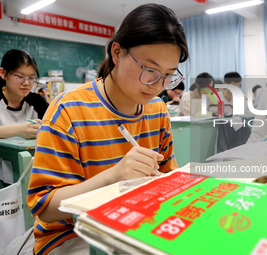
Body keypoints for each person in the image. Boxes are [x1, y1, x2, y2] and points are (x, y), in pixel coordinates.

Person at [27, 4, 188, 254]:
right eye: (149, 70)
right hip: (72, 234)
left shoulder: (157, 110)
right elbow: (45, 208)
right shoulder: (69, 110)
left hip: (135, 222)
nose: (158, 86)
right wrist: (114, 177)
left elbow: (168, 179)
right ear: (117, 52)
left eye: (169, 75)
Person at [0, 49, 48, 139]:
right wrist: (18, 130)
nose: (26, 82)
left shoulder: (37, 102)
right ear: (3, 73)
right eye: (19, 76)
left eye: (31, 78)